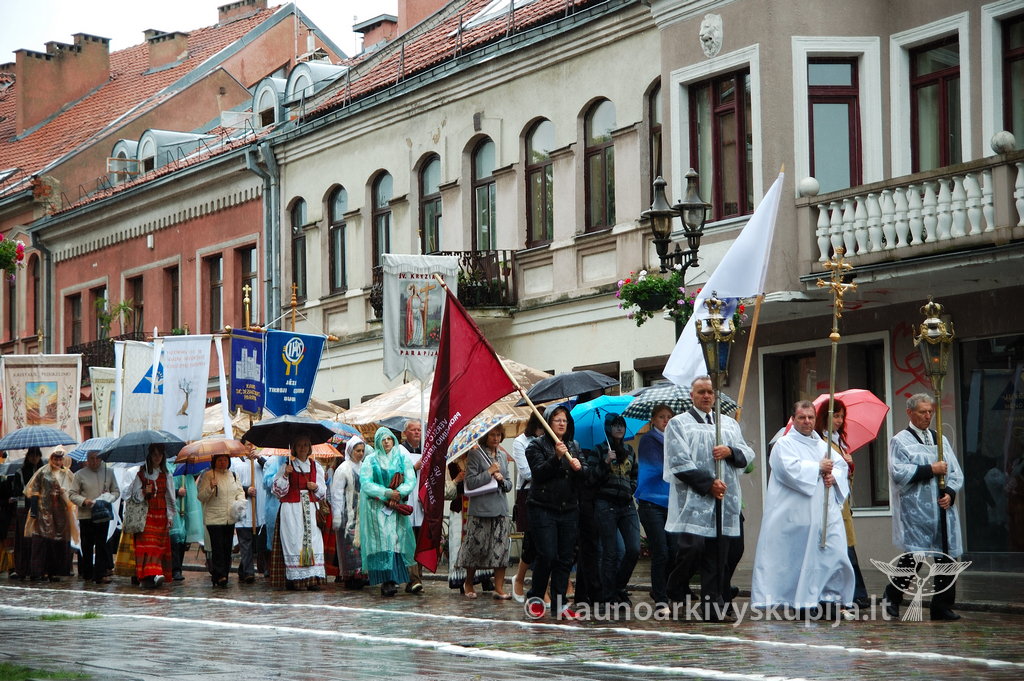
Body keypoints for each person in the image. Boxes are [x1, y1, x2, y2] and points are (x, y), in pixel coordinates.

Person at [664, 376, 755, 622]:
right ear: (692, 396)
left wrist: (730, 451)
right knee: (693, 549)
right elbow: (678, 461)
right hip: (695, 499)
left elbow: (747, 454)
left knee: (721, 552)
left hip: (725, 499)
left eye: (710, 392)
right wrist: (708, 484)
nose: (706, 396)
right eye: (701, 392)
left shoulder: (728, 424)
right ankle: (675, 587)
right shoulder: (678, 424)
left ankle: (713, 606)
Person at [751, 401, 854, 615]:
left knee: (834, 553)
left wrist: (833, 476)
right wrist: (817, 468)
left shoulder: (823, 446)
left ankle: (829, 599)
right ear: (793, 419)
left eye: (810, 417)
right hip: (796, 517)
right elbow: (788, 470)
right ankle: (800, 602)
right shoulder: (783, 444)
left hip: (826, 515)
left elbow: (841, 467)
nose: (807, 421)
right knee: (798, 561)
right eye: (802, 417)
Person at [884, 393, 964, 621]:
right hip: (916, 509)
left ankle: (941, 606)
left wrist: (950, 493)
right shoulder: (900, 441)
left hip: (942, 508)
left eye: (930, 412)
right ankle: (892, 596)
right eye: (922, 412)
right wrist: (930, 469)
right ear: (910, 413)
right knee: (915, 556)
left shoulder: (941, 440)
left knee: (946, 556)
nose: (928, 416)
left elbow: (955, 471)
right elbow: (898, 472)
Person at [524, 405, 587, 620]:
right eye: (557, 419)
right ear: (548, 422)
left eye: (564, 420)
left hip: (568, 508)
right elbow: (538, 473)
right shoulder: (536, 446)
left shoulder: (574, 445)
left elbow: (586, 474)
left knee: (564, 558)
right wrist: (556, 457)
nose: (561, 423)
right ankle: (535, 598)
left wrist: (580, 468)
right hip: (542, 508)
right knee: (547, 555)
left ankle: (560, 605)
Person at [814, 400, 870, 608]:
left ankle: (856, 592)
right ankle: (851, 593)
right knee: (840, 548)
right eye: (835, 416)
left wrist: (849, 466)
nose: (839, 420)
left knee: (848, 546)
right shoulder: (820, 441)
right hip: (828, 503)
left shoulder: (839, 442)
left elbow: (847, 478)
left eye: (842, 416)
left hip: (842, 503)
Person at [586, 414, 640, 607]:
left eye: (622, 425)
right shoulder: (599, 450)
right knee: (611, 551)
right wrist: (606, 462)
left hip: (626, 504)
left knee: (634, 549)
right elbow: (590, 479)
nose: (619, 429)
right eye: (615, 425)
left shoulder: (629, 450)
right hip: (605, 504)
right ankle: (609, 596)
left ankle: (619, 586)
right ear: (608, 428)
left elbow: (635, 475)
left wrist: (630, 489)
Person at [456, 424, 514, 599]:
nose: (496, 438)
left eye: (498, 435)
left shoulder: (502, 456)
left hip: (500, 508)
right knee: (475, 548)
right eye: (492, 435)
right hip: (481, 509)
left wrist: (502, 480)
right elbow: (470, 482)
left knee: (501, 549)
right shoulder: (476, 454)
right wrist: (489, 472)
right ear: (485, 437)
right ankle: (468, 582)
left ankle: (499, 588)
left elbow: (509, 484)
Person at [359, 427, 416, 596]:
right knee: (382, 541)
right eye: (382, 439)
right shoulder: (370, 460)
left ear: (393, 440)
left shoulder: (402, 459)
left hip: (396, 508)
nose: (386, 442)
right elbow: (366, 482)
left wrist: (398, 494)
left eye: (389, 438)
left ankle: (395, 577)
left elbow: (410, 480)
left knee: (396, 541)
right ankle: (386, 581)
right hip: (377, 508)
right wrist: (386, 493)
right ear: (378, 442)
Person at [270, 433, 328, 591]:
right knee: (293, 542)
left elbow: (323, 493)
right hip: (291, 510)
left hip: (310, 508)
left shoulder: (316, 467)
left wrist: (315, 487)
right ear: (294, 448)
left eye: (305, 445)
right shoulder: (286, 466)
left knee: (314, 542)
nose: (303, 448)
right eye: (299, 445)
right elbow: (277, 492)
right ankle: (294, 579)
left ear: (309, 448)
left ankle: (312, 579)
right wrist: (286, 475)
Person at [636, 404, 677, 616]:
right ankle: (661, 600)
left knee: (675, 551)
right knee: (661, 550)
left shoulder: (675, 440)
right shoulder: (649, 440)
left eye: (669, 417)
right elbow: (655, 467)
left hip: (671, 503)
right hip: (651, 502)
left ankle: (660, 588)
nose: (666, 421)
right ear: (653, 420)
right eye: (662, 417)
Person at [124, 443, 176, 588]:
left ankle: (154, 575)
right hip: (145, 515)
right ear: (149, 456)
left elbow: (170, 497)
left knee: (158, 546)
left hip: (161, 516)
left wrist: (170, 516)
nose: (157, 457)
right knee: (147, 546)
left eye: (160, 454)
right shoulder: (141, 475)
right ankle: (151, 575)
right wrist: (143, 492)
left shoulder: (167, 475)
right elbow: (133, 497)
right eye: (154, 454)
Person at [23, 447, 77, 582]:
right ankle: (41, 571)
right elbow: (33, 490)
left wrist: (64, 492)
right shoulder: (43, 472)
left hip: (62, 513)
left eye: (60, 459)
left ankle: (55, 571)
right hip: (44, 512)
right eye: (55, 459)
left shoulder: (67, 474)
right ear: (51, 459)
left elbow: (74, 491)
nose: (58, 462)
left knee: (58, 543)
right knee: (43, 542)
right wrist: (34, 511)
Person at [69, 450, 120, 584]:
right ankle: (88, 574)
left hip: (102, 514)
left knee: (101, 544)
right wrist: (84, 501)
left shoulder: (108, 473)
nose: (95, 461)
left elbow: (116, 491)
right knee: (87, 545)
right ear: (87, 459)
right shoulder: (80, 475)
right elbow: (72, 494)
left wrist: (109, 497)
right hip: (86, 515)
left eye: (97, 458)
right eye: (91, 458)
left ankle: (100, 574)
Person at [511, 411, 545, 602]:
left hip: (549, 492)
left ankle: (543, 587)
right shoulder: (520, 442)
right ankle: (519, 578)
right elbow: (526, 472)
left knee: (547, 544)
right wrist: (547, 469)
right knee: (531, 541)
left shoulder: (553, 441)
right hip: (528, 492)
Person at [197, 454, 245, 588]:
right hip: (214, 518)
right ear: (214, 461)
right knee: (217, 547)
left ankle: (223, 575)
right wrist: (210, 487)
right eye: (219, 460)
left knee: (227, 547)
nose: (223, 463)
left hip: (230, 518)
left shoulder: (234, 475)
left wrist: (240, 502)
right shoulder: (208, 475)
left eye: (225, 460)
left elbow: (240, 492)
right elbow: (201, 496)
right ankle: (220, 574)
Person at [331, 436, 367, 589]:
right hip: (348, 513)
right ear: (351, 451)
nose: (361, 454)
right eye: (358, 451)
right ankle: (350, 576)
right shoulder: (343, 469)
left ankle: (361, 575)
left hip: (362, 512)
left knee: (361, 545)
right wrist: (337, 515)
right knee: (349, 545)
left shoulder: (365, 467)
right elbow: (336, 493)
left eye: (362, 451)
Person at [398, 418, 425, 594]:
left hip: (421, 501)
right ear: (405, 433)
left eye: (419, 430)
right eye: (413, 430)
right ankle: (412, 578)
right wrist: (415, 467)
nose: (416, 432)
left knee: (420, 542)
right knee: (409, 542)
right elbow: (397, 475)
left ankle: (417, 577)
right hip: (407, 500)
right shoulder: (400, 451)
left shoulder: (425, 451)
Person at [231, 454, 266, 584]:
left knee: (252, 545)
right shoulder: (235, 463)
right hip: (244, 509)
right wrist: (246, 490)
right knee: (245, 542)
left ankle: (243, 569)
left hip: (258, 511)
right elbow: (231, 485)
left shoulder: (260, 462)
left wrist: (259, 458)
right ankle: (249, 572)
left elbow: (269, 469)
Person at [11, 447, 43, 580]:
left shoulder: (43, 472)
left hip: (40, 509)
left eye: (37, 455)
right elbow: (15, 491)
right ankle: (23, 570)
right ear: (28, 457)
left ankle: (36, 570)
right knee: (24, 541)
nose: (34, 458)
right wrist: (28, 490)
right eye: (32, 455)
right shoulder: (20, 472)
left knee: (38, 541)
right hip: (24, 509)